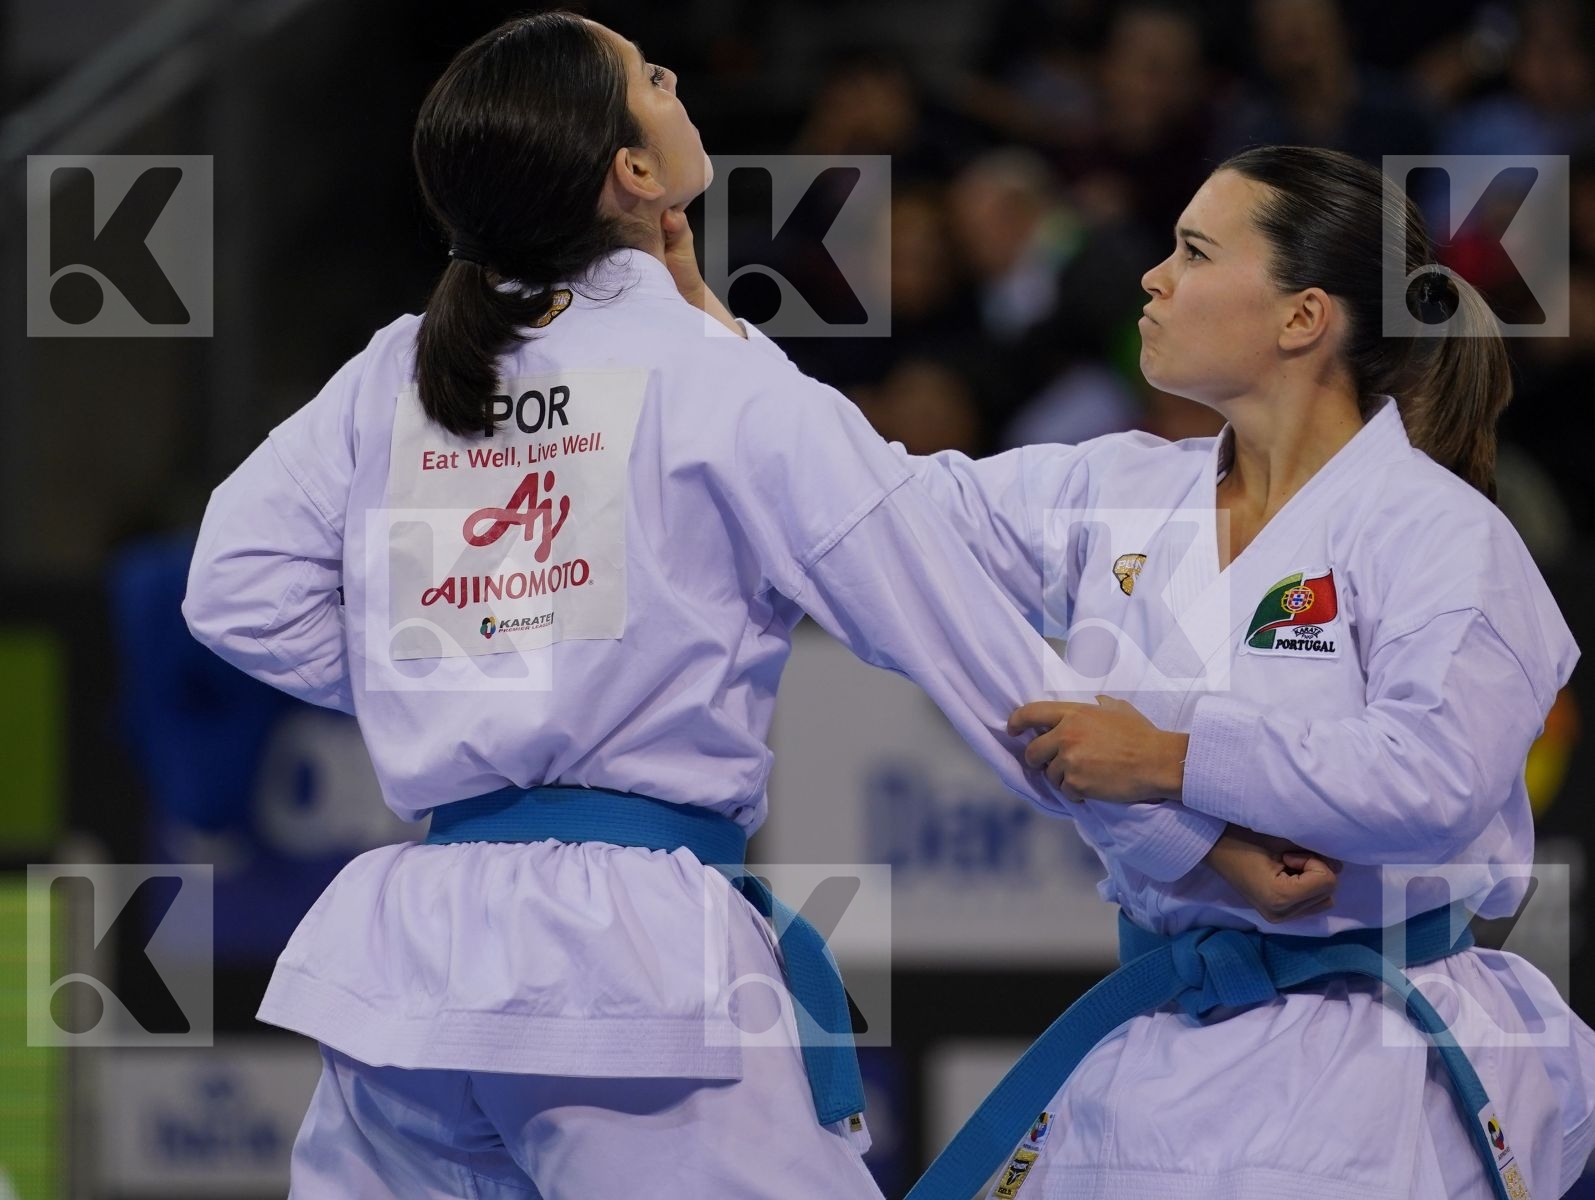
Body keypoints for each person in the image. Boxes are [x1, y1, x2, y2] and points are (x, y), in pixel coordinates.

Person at [182, 15, 1320, 1199]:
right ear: (629, 170)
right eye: (655, 79)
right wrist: (1192, 838)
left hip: (405, 969)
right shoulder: (714, 384)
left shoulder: (401, 367)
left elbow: (236, 590)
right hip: (623, 975)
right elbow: (964, 644)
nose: (679, 88)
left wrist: (468, 667)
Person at [857, 146, 1590, 1198]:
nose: (1152, 278)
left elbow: (1432, 780)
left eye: (1193, 252)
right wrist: (702, 335)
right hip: (1158, 1041)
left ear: (1301, 318)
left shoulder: (1440, 535)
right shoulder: (1116, 488)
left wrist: (1168, 759)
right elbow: (872, 513)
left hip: (1373, 1059)